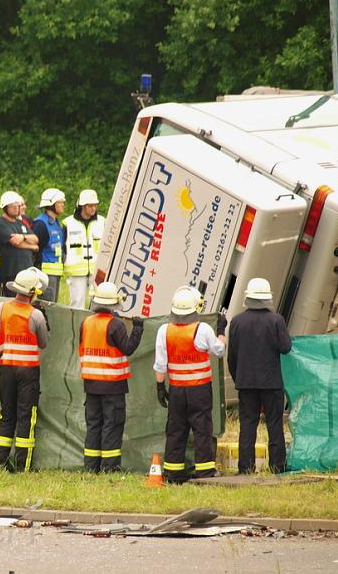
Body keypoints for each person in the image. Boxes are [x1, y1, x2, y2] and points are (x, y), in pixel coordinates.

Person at [0, 267, 50, 471]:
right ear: (32, 293)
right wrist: (44, 320)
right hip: (28, 372)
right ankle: (22, 466)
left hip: (6, 369)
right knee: (26, 416)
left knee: (6, 415)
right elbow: (43, 344)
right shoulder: (36, 315)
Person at [154, 286, 226, 482]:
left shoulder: (164, 331)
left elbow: (160, 363)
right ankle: (205, 471)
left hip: (176, 390)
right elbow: (219, 350)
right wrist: (221, 330)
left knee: (176, 430)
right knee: (202, 429)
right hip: (200, 389)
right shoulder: (202, 329)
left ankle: (173, 472)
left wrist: (160, 387)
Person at [77, 282, 144, 472]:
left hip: (90, 385)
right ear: (114, 303)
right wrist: (138, 328)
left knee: (94, 425)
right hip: (112, 386)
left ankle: (91, 467)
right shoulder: (115, 325)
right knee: (112, 426)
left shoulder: (86, 323)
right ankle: (110, 467)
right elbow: (128, 348)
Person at [228, 278, 292, 474]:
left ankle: (245, 468)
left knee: (247, 424)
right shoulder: (276, 320)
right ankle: (277, 466)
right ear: (267, 298)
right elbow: (286, 347)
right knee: (274, 424)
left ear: (248, 298)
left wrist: (239, 377)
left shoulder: (237, 321)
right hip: (271, 382)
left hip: (246, 383)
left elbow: (232, 356)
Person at [64, 189, 106, 309]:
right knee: (77, 304)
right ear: (82, 205)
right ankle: (77, 327)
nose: (93, 208)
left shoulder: (103, 222)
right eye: (90, 206)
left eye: (95, 205)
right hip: (76, 273)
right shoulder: (68, 223)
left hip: (98, 271)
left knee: (99, 304)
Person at [0, 191, 38, 297]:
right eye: (13, 206)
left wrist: (23, 237)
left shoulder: (20, 223)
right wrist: (32, 246)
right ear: (5, 207)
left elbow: (35, 238)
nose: (17, 208)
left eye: (18, 205)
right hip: (11, 273)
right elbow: (15, 242)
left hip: (27, 273)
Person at [32, 188, 67, 302]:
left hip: (56, 273)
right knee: (46, 306)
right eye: (60, 202)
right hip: (45, 273)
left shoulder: (56, 223)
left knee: (53, 306)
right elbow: (36, 250)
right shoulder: (40, 224)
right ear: (51, 204)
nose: (63, 205)